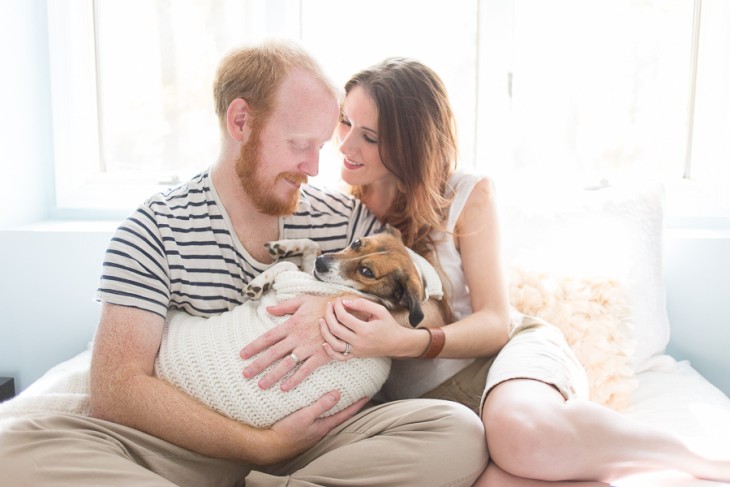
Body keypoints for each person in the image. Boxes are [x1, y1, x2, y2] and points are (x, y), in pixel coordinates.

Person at [0, 43, 488, 486]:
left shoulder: (345, 220)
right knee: (13, 447)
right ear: (241, 122)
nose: (315, 168)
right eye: (300, 145)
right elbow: (117, 388)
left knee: (456, 433)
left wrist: (337, 310)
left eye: (321, 146)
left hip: (321, 445)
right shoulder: (155, 228)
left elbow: (429, 313)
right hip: (181, 447)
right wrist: (264, 444)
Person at [243, 57, 730, 486]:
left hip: (504, 357)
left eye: (369, 136)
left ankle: (700, 458)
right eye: (345, 123)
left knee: (521, 438)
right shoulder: (336, 207)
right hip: (428, 406)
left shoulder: (466, 195)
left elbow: (495, 322)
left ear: (410, 145)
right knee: (493, 480)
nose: (344, 144)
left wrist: (407, 342)